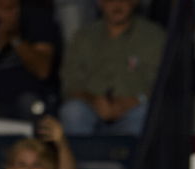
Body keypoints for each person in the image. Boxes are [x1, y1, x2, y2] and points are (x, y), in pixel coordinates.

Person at [59, 0, 165, 135]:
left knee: (147, 113)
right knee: (72, 111)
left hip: (134, 109)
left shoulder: (154, 36)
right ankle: (80, 155)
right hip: (92, 109)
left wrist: (129, 103)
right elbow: (69, 84)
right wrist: (94, 101)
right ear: (100, 2)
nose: (117, 5)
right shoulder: (83, 36)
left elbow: (162, 84)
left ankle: (136, 156)